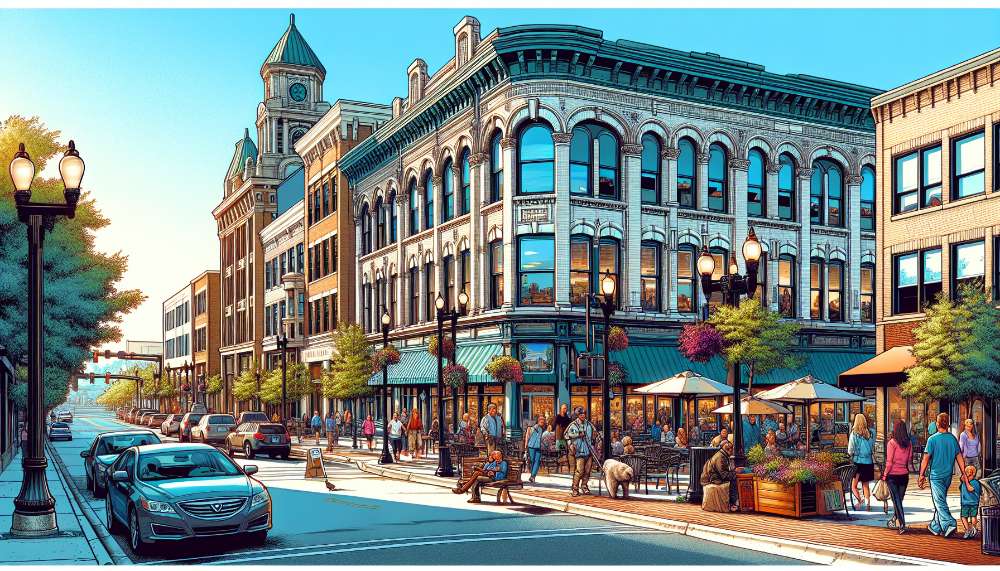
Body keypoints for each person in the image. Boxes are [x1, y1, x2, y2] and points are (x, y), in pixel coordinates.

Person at [919, 412, 971, 538]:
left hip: (936, 476)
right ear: (947, 424)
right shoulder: (952, 439)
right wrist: (964, 473)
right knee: (940, 500)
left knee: (939, 501)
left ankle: (949, 523)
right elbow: (959, 458)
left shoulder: (932, 439)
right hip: (947, 476)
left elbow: (926, 458)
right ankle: (935, 526)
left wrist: (921, 475)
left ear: (937, 424)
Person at [882, 419, 914, 534]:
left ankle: (902, 524)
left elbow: (889, 462)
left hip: (893, 475)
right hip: (904, 475)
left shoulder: (892, 443)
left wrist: (885, 474)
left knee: (896, 501)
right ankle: (894, 519)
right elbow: (909, 460)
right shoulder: (909, 443)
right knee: (899, 500)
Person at [565, 406, 596, 497]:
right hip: (579, 451)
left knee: (587, 471)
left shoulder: (589, 424)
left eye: (584, 414)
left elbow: (594, 434)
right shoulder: (574, 425)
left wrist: (594, 441)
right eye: (581, 414)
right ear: (578, 415)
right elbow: (567, 435)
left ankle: (584, 486)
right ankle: (575, 489)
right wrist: (572, 444)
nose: (583, 415)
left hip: (589, 450)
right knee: (579, 471)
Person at [848, 413, 876, 510]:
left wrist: (851, 454)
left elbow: (850, 450)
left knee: (854, 486)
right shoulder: (872, 432)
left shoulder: (854, 434)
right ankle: (868, 505)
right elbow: (873, 445)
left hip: (858, 462)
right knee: (865, 485)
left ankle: (859, 501)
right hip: (868, 462)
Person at [700, 440, 738, 512]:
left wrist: (733, 471)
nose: (732, 451)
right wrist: (735, 472)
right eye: (731, 449)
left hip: (713, 477)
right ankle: (732, 504)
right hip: (713, 479)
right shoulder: (721, 457)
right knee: (734, 481)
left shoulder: (722, 455)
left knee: (734, 478)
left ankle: (733, 503)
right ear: (728, 449)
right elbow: (724, 475)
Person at [960, 464, 982, 539]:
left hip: (969, 503)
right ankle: (970, 529)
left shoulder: (972, 483)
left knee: (968, 516)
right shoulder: (974, 483)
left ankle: (970, 529)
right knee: (969, 516)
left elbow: (970, 489)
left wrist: (965, 480)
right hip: (969, 503)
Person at [523, 415, 546, 483]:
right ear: (538, 421)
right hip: (531, 446)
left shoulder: (542, 429)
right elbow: (527, 436)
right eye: (541, 420)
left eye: (543, 421)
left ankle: (533, 476)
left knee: (537, 461)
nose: (542, 422)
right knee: (532, 460)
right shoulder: (531, 428)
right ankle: (532, 475)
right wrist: (526, 445)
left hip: (538, 447)